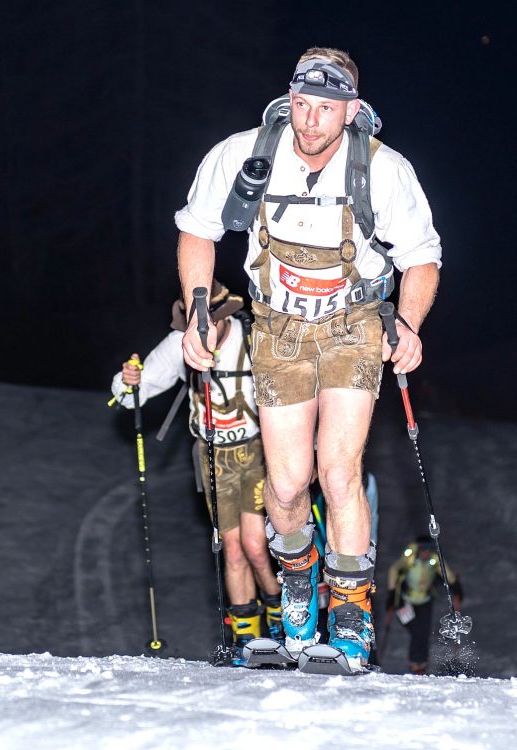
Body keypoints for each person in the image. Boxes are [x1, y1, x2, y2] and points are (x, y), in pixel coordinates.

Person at [175, 47, 442, 670]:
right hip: (279, 328)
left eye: (325, 107)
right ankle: (297, 594)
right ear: (288, 99)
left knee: (338, 472)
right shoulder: (242, 155)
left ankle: (349, 619)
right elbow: (197, 230)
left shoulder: (383, 169)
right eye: (301, 104)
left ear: (351, 110)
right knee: (288, 483)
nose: (310, 120)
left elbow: (422, 257)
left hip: (353, 325)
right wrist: (197, 311)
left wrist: (407, 324)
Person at [110, 280, 282, 649]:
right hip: (213, 457)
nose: (202, 332)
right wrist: (129, 381)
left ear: (223, 316)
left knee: (255, 545)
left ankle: (280, 613)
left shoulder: (252, 339)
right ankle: (247, 639)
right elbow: (132, 393)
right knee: (232, 548)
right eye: (195, 324)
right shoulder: (181, 343)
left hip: (257, 452)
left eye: (208, 322)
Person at [386, 536, 463, 674]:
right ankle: (414, 662)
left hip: (425, 600)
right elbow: (394, 569)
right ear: (418, 550)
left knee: (424, 631)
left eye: (428, 550)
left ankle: (421, 663)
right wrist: (392, 592)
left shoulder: (434, 560)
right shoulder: (410, 559)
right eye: (423, 550)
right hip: (406, 601)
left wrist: (455, 586)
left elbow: (446, 574)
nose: (425, 553)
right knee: (416, 631)